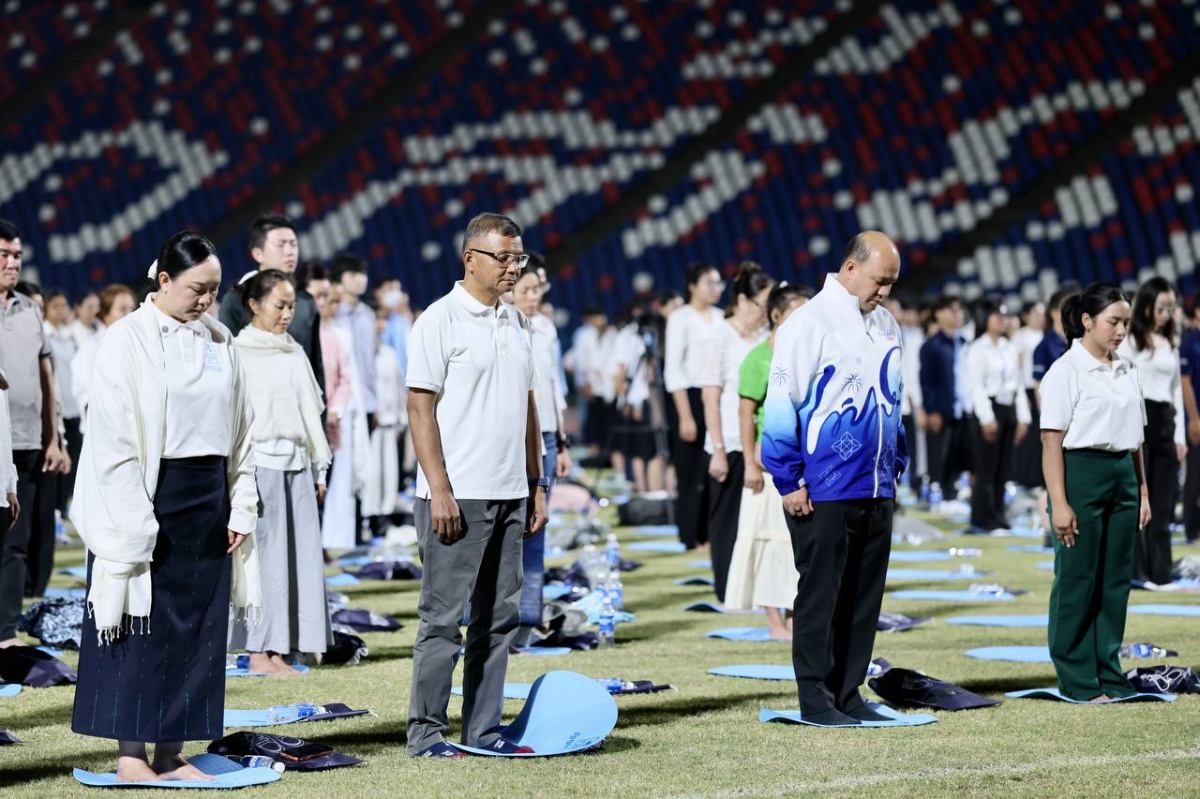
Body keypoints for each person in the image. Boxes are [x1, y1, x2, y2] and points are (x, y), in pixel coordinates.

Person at [69, 231, 260, 781]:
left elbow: (244, 430)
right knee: (141, 623)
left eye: (215, 289)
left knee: (198, 629)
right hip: (147, 494)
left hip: (208, 495)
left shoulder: (222, 341)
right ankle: (131, 755)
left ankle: (172, 752)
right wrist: (136, 517)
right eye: (197, 289)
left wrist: (240, 504)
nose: (207, 299)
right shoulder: (125, 340)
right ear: (164, 280)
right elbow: (112, 435)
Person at [404, 213, 548, 758]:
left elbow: (529, 407)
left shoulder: (518, 322)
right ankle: (426, 734)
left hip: (511, 491)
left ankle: (483, 731)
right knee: (443, 621)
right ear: (471, 258)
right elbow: (419, 408)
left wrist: (536, 483)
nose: (513, 268)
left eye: (518, 258)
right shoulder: (439, 319)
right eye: (503, 258)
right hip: (457, 495)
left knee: (499, 620)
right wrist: (439, 489)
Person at [762, 231, 906, 726]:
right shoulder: (807, 324)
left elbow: (895, 399)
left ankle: (849, 691)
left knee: (864, 596)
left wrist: (896, 464)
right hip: (821, 487)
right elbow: (780, 405)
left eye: (891, 283)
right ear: (850, 268)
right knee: (821, 595)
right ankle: (815, 696)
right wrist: (788, 480)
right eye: (879, 280)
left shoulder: (886, 324)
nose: (884, 291)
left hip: (876, 483)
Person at [1040, 282, 1150, 701]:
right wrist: (1059, 503)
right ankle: (1077, 677)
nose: (1121, 331)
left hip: (1123, 474)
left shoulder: (1128, 368)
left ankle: (1109, 670)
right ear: (1086, 320)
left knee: (1115, 581)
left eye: (1126, 323)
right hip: (1080, 474)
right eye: (1113, 322)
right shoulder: (1065, 370)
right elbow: (1051, 442)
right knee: (1077, 578)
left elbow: (1137, 438)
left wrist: (1143, 492)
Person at [228, 269, 332, 675]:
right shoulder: (240, 351)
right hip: (261, 465)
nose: (287, 314)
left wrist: (319, 470)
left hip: (297, 463)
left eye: (291, 306)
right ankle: (258, 650)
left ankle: (282, 647)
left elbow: (309, 414)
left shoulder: (293, 350)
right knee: (264, 562)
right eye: (280, 305)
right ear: (255, 305)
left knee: (297, 559)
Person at [0, 220, 70, 643]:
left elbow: (47, 377)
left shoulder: (29, 310)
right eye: (4, 255)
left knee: (16, 540)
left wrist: (54, 438)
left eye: (17, 256)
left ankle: (5, 631)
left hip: (25, 441)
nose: (13, 263)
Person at [725, 283, 807, 639]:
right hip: (767, 463)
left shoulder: (807, 356)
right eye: (796, 312)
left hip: (802, 462)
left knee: (795, 546)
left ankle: (794, 616)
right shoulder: (758, 359)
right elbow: (746, 414)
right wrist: (749, 463)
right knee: (768, 541)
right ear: (776, 315)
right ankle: (774, 620)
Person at [699, 263, 772, 602]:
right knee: (727, 520)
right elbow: (710, 396)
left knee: (756, 519)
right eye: (762, 305)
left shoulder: (766, 338)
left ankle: (755, 589)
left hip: (758, 441)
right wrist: (717, 448)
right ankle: (727, 589)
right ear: (743, 300)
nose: (765, 313)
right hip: (727, 439)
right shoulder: (719, 335)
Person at [510, 264, 572, 645]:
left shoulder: (546, 328)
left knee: (537, 525)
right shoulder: (502, 324)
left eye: (537, 290)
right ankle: (496, 618)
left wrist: (561, 442)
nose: (533, 296)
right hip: (513, 438)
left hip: (546, 434)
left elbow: (553, 386)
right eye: (526, 289)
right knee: (507, 530)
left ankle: (527, 618)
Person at [1118, 277, 1185, 586]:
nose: (1167, 315)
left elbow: (1176, 391)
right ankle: (1137, 571)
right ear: (1146, 306)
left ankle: (1161, 571)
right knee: (1137, 499)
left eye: (1171, 308)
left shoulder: (1171, 342)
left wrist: (1179, 435)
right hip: (1138, 420)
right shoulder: (1130, 341)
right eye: (1161, 308)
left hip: (1165, 422)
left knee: (1163, 501)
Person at [218, 214, 324, 399]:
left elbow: (316, 365)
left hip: (302, 405)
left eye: (293, 244)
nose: (290, 251)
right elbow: (227, 363)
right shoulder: (236, 300)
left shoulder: (306, 301)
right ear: (257, 253)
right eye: (281, 244)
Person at [664, 263, 724, 549]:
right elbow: (673, 369)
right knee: (689, 471)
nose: (715, 289)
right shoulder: (680, 318)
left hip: (718, 396)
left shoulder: (722, 317)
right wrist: (685, 416)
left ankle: (711, 532)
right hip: (689, 397)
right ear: (692, 286)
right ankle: (690, 535)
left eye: (718, 283)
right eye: (709, 283)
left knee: (712, 466)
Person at [963, 298, 1030, 532]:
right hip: (988, 409)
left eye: (1005, 315)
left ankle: (999, 513)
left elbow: (1017, 384)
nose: (1003, 320)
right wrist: (987, 419)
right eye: (997, 315)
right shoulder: (977, 348)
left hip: (1008, 408)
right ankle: (982, 517)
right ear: (985, 319)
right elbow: (976, 386)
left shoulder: (1009, 347)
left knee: (1004, 468)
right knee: (985, 468)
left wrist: (1023, 418)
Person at [919, 294, 966, 497]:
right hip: (941, 409)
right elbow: (926, 381)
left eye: (959, 310)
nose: (957, 314)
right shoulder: (932, 345)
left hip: (962, 409)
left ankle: (951, 493)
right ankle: (936, 493)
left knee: (956, 457)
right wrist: (932, 410)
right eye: (952, 310)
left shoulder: (964, 343)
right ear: (938, 314)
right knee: (938, 456)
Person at [363, 305, 404, 533]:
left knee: (389, 471)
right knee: (373, 472)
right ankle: (371, 516)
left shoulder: (389, 353)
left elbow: (398, 386)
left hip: (390, 421)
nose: (381, 325)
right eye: (377, 320)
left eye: (383, 320)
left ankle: (386, 513)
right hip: (373, 423)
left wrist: (400, 417)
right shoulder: (363, 353)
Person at [70, 284, 137, 418]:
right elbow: (85, 398)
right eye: (123, 309)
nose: (130, 315)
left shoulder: (138, 344)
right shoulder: (89, 350)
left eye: (132, 309)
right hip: (107, 425)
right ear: (105, 314)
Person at [43, 290, 82, 512]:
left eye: (63, 306)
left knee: (73, 461)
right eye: (55, 306)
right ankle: (55, 510)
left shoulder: (69, 335)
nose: (60, 310)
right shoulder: (44, 334)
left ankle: (65, 506)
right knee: (56, 464)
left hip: (74, 406)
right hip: (57, 408)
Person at [1013, 301, 1045, 489]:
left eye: (1042, 314)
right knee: (1029, 437)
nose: (1040, 318)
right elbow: (1016, 366)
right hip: (1026, 389)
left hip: (1043, 389)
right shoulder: (1020, 336)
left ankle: (1038, 478)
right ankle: (1024, 478)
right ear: (1026, 316)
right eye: (1036, 314)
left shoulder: (1045, 335)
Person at [1180, 292, 1200, 543]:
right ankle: (1191, 528)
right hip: (1196, 419)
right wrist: (1194, 418)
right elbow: (1185, 383)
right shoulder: (1190, 343)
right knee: (1194, 476)